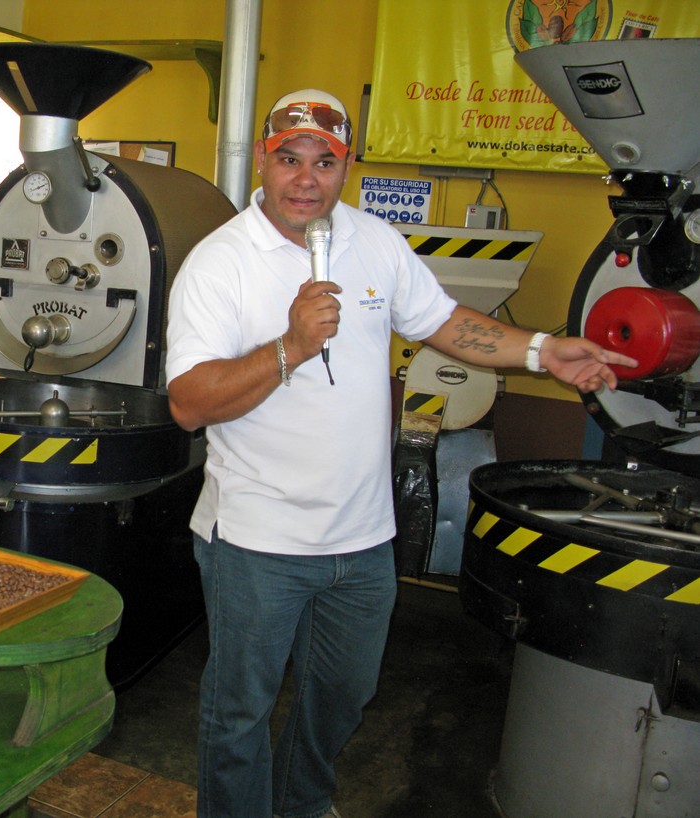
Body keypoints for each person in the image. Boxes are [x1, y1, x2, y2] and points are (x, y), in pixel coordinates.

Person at [164, 89, 637, 818]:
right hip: (257, 542)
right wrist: (290, 347)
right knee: (238, 718)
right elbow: (190, 404)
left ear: (345, 167)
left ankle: (301, 805)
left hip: (362, 539)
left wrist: (544, 351)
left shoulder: (373, 240)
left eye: (325, 162)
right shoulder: (218, 264)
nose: (305, 179)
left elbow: (445, 323)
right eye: (288, 159)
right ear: (264, 159)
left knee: (340, 703)